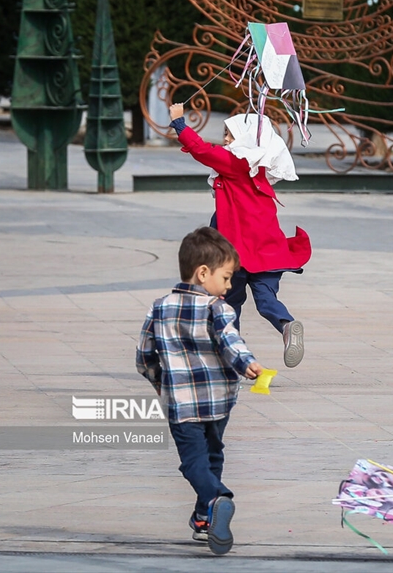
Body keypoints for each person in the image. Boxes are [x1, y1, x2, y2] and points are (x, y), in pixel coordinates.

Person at [136, 226, 264, 555]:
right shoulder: (218, 308)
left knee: (193, 462)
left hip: (181, 403)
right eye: (226, 277)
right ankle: (212, 506)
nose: (229, 285)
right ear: (203, 272)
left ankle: (208, 509)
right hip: (218, 401)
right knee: (213, 456)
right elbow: (230, 342)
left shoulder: (159, 307)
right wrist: (246, 363)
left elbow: (144, 357)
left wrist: (162, 385)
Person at [169, 103, 311, 368]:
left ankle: (229, 354)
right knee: (267, 299)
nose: (225, 140)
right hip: (269, 252)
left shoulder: (237, 163)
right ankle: (287, 325)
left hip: (238, 251)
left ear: (246, 140)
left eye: (230, 136)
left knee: (230, 303)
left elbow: (201, 150)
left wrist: (179, 123)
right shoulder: (260, 168)